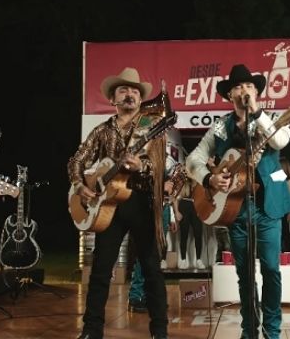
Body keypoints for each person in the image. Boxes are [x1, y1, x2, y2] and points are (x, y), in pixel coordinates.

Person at [186, 64, 290, 339]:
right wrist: (209, 179)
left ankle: (272, 331)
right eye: (237, 86)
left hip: (268, 209)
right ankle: (249, 331)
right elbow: (193, 159)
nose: (243, 90)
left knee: (271, 270)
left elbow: (281, 141)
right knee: (244, 275)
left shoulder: (270, 120)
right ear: (229, 95)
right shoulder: (219, 127)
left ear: (256, 93)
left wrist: (257, 113)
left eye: (249, 86)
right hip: (235, 210)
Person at [67, 67, 168, 339]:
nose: (129, 94)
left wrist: (141, 167)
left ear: (140, 99)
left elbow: (161, 169)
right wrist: (80, 185)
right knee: (101, 270)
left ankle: (160, 332)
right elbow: (76, 160)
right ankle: (92, 330)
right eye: (123, 90)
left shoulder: (151, 127)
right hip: (108, 207)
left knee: (151, 270)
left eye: (134, 91)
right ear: (113, 98)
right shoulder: (101, 131)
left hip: (141, 202)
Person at [128, 168, 180, 313]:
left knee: (155, 256)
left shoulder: (165, 161)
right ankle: (136, 296)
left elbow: (169, 193)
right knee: (145, 252)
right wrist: (160, 188)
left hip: (163, 208)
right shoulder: (145, 159)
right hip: (148, 208)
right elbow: (137, 184)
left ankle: (148, 295)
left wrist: (171, 216)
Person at [177, 179, 205, 269]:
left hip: (196, 205)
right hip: (184, 204)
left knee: (198, 233)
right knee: (184, 234)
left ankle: (198, 260)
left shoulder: (197, 182)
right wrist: (176, 212)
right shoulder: (183, 180)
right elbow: (176, 197)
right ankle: (183, 259)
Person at [279, 157, 290, 252]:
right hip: (280, 210)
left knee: (285, 233)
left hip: (286, 210)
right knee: (281, 232)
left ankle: (287, 252)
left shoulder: (289, 181)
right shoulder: (280, 180)